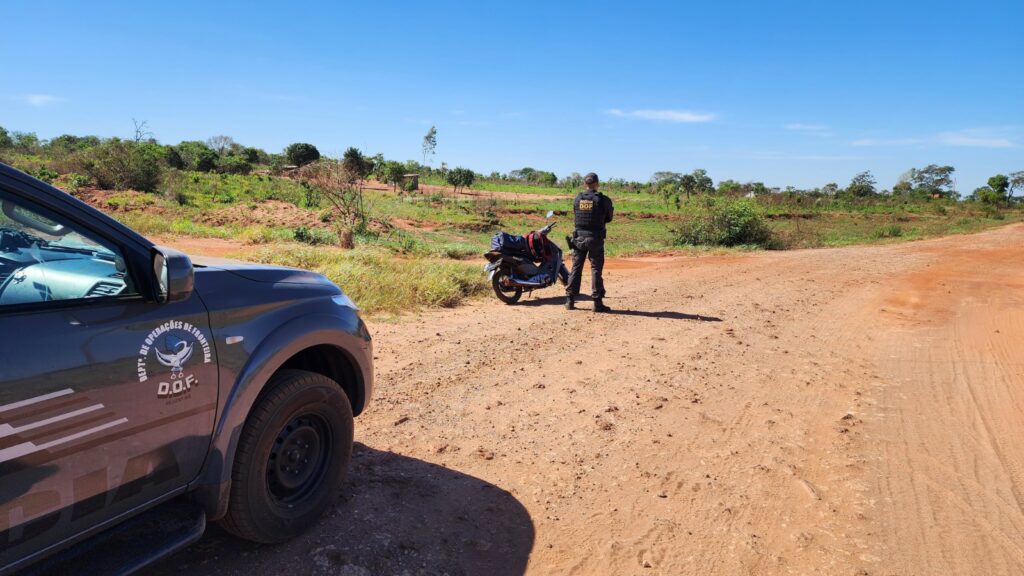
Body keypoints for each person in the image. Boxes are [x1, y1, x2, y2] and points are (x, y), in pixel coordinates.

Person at [565, 172, 613, 312]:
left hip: (578, 237)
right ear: (597, 184)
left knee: (576, 268)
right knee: (596, 269)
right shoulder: (603, 200)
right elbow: (609, 218)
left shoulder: (577, 199)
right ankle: (597, 303)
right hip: (595, 238)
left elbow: (575, 214)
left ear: (585, 184)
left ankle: (569, 300)